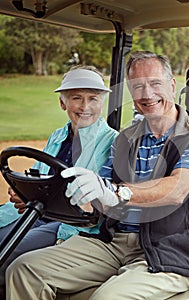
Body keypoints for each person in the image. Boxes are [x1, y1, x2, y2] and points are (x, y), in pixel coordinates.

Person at [6, 51, 189, 300]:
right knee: (23, 270)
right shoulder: (125, 139)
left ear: (172, 85)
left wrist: (118, 192)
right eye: (138, 86)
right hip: (112, 242)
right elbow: (98, 198)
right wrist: (52, 198)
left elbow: (177, 190)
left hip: (170, 252)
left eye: (155, 83)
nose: (147, 94)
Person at [0, 65, 118, 299]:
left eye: (93, 98)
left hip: (68, 225)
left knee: (6, 255)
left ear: (102, 103)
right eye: (76, 98)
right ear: (63, 103)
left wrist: (36, 199)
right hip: (35, 214)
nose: (85, 107)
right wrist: (22, 192)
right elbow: (38, 175)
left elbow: (98, 201)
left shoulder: (113, 142)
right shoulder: (58, 136)